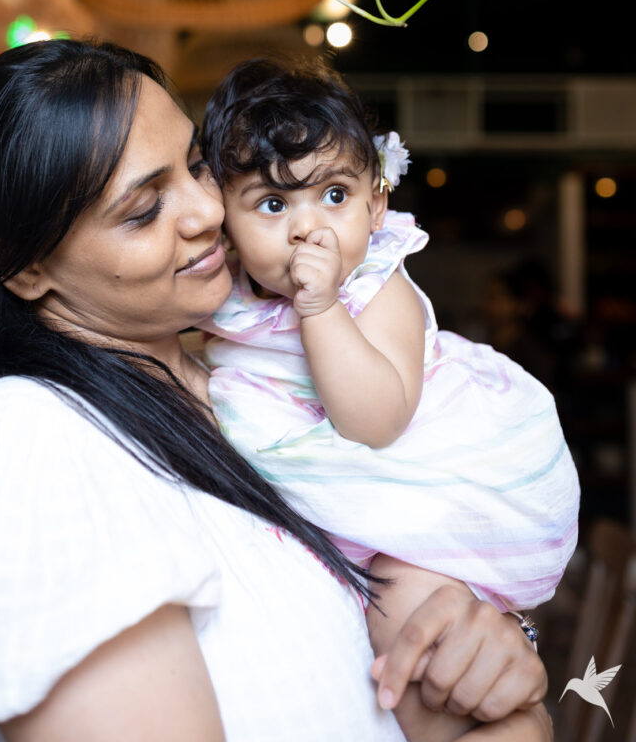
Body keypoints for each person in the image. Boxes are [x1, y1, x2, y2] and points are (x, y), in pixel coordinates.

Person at [0, 39, 552, 742]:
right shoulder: (24, 439)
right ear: (25, 268)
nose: (209, 212)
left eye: (197, 165)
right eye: (144, 209)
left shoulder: (247, 383)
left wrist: (494, 645)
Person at [198, 57, 579, 616]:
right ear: (226, 227)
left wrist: (322, 308)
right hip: (313, 511)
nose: (308, 228)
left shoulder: (375, 287)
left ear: (375, 206)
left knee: (401, 610)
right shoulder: (224, 295)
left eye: (334, 195)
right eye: (273, 205)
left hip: (416, 491)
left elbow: (377, 421)